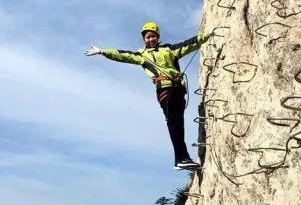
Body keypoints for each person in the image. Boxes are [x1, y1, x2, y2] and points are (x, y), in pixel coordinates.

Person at [85, 22, 211, 170]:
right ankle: (181, 159)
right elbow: (123, 55)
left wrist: (205, 36)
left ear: (158, 37)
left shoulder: (168, 49)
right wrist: (102, 51)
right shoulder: (142, 55)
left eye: (153, 36)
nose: (150, 39)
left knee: (178, 124)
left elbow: (187, 45)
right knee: (174, 123)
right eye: (147, 37)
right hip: (164, 90)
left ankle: (182, 158)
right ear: (144, 39)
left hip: (178, 89)